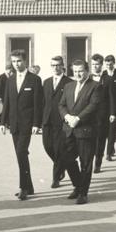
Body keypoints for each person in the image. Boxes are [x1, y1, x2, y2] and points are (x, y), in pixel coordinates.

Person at [0, 49, 43, 201]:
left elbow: (38, 104)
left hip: (28, 123)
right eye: (13, 61)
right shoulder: (10, 80)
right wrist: (3, 121)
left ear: (25, 61)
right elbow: (7, 102)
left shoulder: (35, 80)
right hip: (14, 123)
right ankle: (29, 186)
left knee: (21, 152)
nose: (16, 64)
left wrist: (37, 123)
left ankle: (23, 187)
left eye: (19, 61)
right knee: (21, 154)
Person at [58, 60, 102, 204]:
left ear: (87, 71)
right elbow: (61, 104)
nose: (78, 74)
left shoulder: (95, 86)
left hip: (85, 130)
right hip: (69, 129)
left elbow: (93, 105)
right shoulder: (68, 85)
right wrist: (67, 116)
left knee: (85, 163)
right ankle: (78, 185)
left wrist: (78, 118)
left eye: (81, 71)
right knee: (67, 159)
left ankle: (83, 193)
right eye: (75, 71)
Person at [42, 56, 72, 188]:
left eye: (58, 65)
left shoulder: (69, 83)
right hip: (47, 120)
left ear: (63, 66)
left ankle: (56, 177)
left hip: (61, 121)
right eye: (53, 65)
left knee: (59, 149)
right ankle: (62, 165)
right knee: (48, 146)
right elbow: (43, 102)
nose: (55, 68)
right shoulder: (46, 82)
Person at [89, 54, 113, 174]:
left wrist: (112, 113)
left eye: (97, 64)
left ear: (101, 65)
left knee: (100, 140)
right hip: (88, 115)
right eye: (93, 64)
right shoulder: (87, 78)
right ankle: (88, 162)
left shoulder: (107, 79)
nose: (95, 66)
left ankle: (98, 162)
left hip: (102, 115)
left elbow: (112, 97)